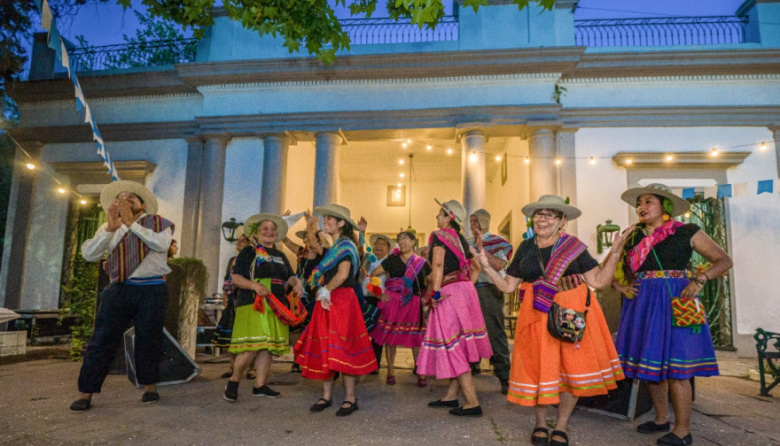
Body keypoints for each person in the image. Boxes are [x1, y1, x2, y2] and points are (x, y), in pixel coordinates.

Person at [473, 195, 628, 446]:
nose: (542, 219)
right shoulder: (525, 247)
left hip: (571, 312)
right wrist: (487, 267)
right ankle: (541, 423)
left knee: (570, 370)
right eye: (539, 214)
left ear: (562, 221)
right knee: (538, 368)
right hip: (535, 313)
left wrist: (616, 253)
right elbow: (508, 286)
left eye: (549, 215)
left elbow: (598, 281)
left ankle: (562, 425)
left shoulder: (574, 246)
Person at [613, 184, 732, 446]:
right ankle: (661, 419)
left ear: (665, 206)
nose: (641, 207)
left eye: (648, 202)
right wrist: (620, 286)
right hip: (642, 301)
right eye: (639, 203)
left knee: (678, 368)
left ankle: (682, 430)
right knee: (650, 364)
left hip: (677, 299)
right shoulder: (631, 237)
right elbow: (611, 267)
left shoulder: (686, 232)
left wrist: (699, 280)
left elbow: (723, 260)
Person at [70, 180, 174, 412]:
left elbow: (161, 244)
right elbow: (88, 254)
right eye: (121, 198)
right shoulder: (110, 227)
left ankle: (149, 387)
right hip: (119, 288)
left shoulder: (158, 223)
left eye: (131, 198)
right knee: (101, 340)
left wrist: (131, 224)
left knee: (149, 339)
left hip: (152, 289)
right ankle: (85, 392)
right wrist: (109, 228)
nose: (125, 200)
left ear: (143, 204)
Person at [294, 204, 378, 417]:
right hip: (330, 298)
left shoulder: (347, 246)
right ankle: (326, 396)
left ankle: (350, 398)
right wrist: (311, 226)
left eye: (330, 219)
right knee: (326, 345)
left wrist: (324, 290)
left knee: (343, 347)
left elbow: (342, 274)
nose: (326, 221)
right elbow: (312, 246)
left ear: (341, 223)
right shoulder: (335, 248)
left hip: (341, 299)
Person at [417, 199, 493, 417]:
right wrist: (467, 285)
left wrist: (436, 293)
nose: (436, 218)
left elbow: (438, 265)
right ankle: (451, 396)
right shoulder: (461, 239)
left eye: (440, 214)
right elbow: (476, 265)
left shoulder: (439, 236)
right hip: (465, 290)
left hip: (449, 291)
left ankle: (472, 401)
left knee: (452, 344)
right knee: (459, 342)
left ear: (449, 217)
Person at [223, 213, 303, 402]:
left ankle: (260, 385)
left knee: (268, 346)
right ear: (256, 233)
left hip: (277, 304)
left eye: (273, 229)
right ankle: (233, 381)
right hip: (253, 302)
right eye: (265, 229)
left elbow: (289, 276)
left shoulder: (281, 255)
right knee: (252, 345)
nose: (269, 232)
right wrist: (255, 286)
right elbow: (236, 278)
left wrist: (296, 281)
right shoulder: (249, 253)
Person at [369, 228, 431, 387]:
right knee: (391, 338)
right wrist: (379, 294)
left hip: (413, 304)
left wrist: (426, 298)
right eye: (399, 239)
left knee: (417, 338)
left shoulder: (421, 263)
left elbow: (431, 281)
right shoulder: (391, 260)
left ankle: (420, 372)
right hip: (393, 302)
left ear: (413, 242)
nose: (402, 242)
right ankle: (390, 371)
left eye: (405, 239)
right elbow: (372, 276)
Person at [467, 209, 513, 394]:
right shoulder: (467, 242)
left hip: (488, 289)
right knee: (469, 330)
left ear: (484, 222)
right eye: (471, 221)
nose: (472, 225)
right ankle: (473, 365)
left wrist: (481, 249)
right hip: (469, 288)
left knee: (494, 331)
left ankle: (504, 375)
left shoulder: (496, 241)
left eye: (476, 221)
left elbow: (500, 265)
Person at [212, 233, 250, 379]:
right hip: (231, 299)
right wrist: (224, 292)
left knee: (246, 335)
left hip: (243, 298)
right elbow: (227, 277)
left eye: (243, 240)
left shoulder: (250, 259)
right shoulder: (232, 260)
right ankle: (233, 367)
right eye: (239, 240)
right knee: (230, 335)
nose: (240, 242)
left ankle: (250, 369)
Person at [359, 223, 395, 372]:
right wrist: (362, 231)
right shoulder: (368, 258)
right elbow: (360, 248)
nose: (379, 247)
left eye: (383, 245)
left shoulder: (390, 263)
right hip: (363, 299)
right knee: (361, 332)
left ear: (388, 248)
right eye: (377, 244)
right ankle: (360, 362)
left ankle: (374, 365)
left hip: (380, 300)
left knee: (377, 334)